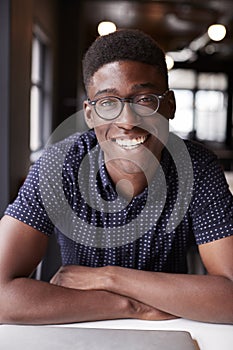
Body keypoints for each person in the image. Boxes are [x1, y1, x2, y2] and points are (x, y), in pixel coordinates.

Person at [0, 29, 232, 325]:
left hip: (167, 332)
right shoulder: (61, 165)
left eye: (145, 99)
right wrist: (133, 307)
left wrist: (110, 278)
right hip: (81, 326)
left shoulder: (197, 168)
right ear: (89, 114)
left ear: (170, 105)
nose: (127, 121)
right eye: (108, 103)